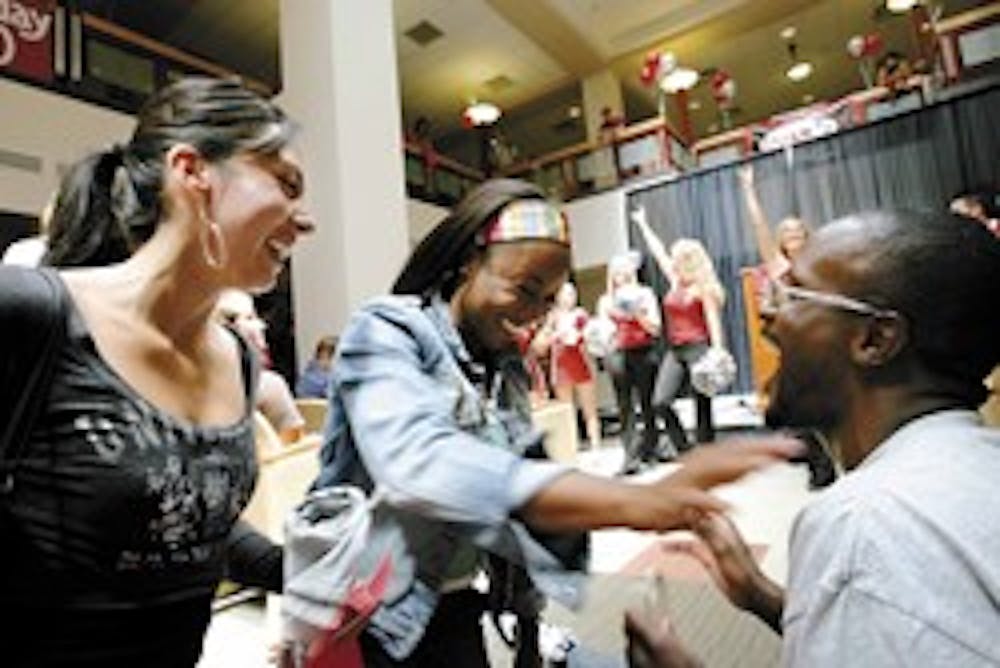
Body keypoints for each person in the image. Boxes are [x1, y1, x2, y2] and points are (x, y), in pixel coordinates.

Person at [312, 178, 800, 667]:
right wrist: (639, 501)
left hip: (453, 602)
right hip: (364, 613)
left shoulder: (502, 366)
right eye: (524, 289)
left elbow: (520, 518)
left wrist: (527, 629)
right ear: (468, 261)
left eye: (548, 300)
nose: (534, 316)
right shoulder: (384, 330)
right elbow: (421, 463)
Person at [1, 77, 314, 666]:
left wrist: (311, 571)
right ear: (192, 170)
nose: (306, 221)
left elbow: (189, 522)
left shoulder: (238, 361)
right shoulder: (30, 314)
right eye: (286, 184)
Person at [626, 210, 1000, 667]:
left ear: (874, 339)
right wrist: (761, 595)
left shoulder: (859, 527)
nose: (766, 312)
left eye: (792, 295)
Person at [739, 163, 837, 490]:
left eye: (798, 232)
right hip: (795, 348)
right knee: (790, 410)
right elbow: (759, 227)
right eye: (788, 234)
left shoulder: (821, 262)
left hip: (824, 344)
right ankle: (819, 464)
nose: (793, 238)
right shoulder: (778, 267)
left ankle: (828, 462)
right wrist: (749, 190)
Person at [631, 208, 727, 453]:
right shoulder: (675, 281)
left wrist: (717, 353)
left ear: (689, 260)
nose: (672, 261)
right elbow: (658, 251)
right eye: (673, 257)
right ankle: (684, 449)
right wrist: (643, 224)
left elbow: (713, 321)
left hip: (698, 348)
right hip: (675, 349)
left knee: (702, 407)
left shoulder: (703, 287)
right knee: (660, 401)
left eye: (678, 258)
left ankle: (706, 453)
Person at [597, 250, 663, 474]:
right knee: (624, 406)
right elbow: (604, 333)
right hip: (619, 353)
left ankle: (651, 450)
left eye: (624, 271)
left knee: (648, 403)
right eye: (616, 273)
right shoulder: (605, 301)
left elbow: (655, 328)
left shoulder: (645, 294)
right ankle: (630, 457)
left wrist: (637, 315)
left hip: (644, 350)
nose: (620, 276)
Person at [215, 288, 306, 444]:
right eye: (251, 317)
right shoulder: (268, 386)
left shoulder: (180, 392)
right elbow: (293, 447)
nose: (262, 325)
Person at [534, 282, 602, 450]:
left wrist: (581, 335)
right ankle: (573, 447)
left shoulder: (580, 314)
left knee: (590, 409)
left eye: (572, 294)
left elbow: (592, 339)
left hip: (581, 363)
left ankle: (596, 445)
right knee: (567, 411)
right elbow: (541, 345)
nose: (569, 298)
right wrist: (555, 334)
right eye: (566, 294)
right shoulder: (553, 317)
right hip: (561, 367)